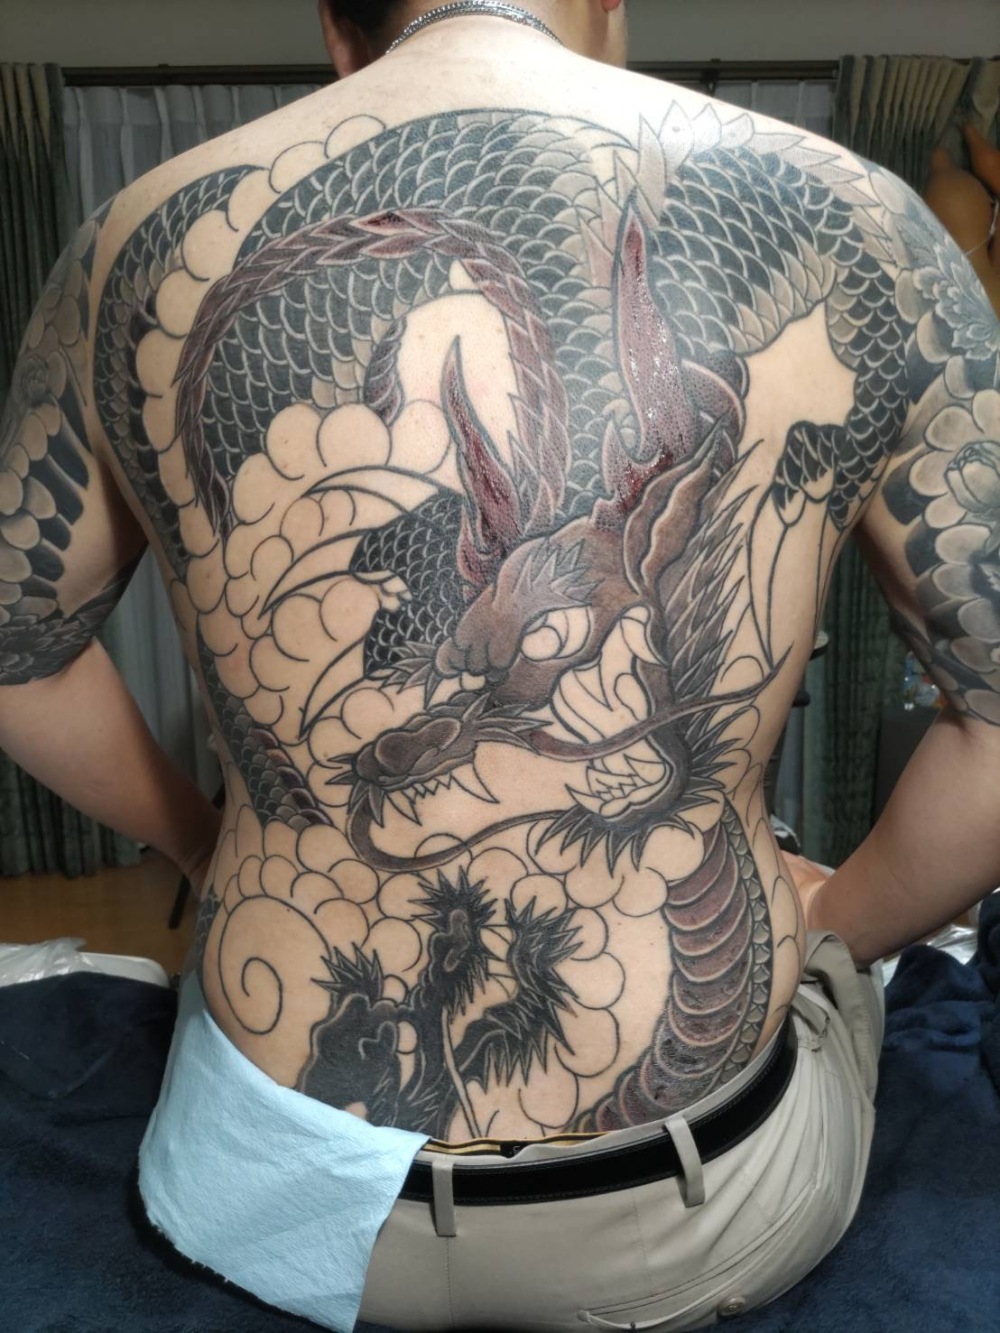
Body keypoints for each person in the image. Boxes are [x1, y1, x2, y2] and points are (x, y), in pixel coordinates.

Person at [0, 2, 998, 1329]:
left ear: (339, 31)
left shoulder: (129, 238)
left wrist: (206, 840)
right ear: (613, 11)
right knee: (834, 987)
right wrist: (837, 927)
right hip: (687, 1215)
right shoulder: (871, 220)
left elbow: (14, 654)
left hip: (267, 1193)